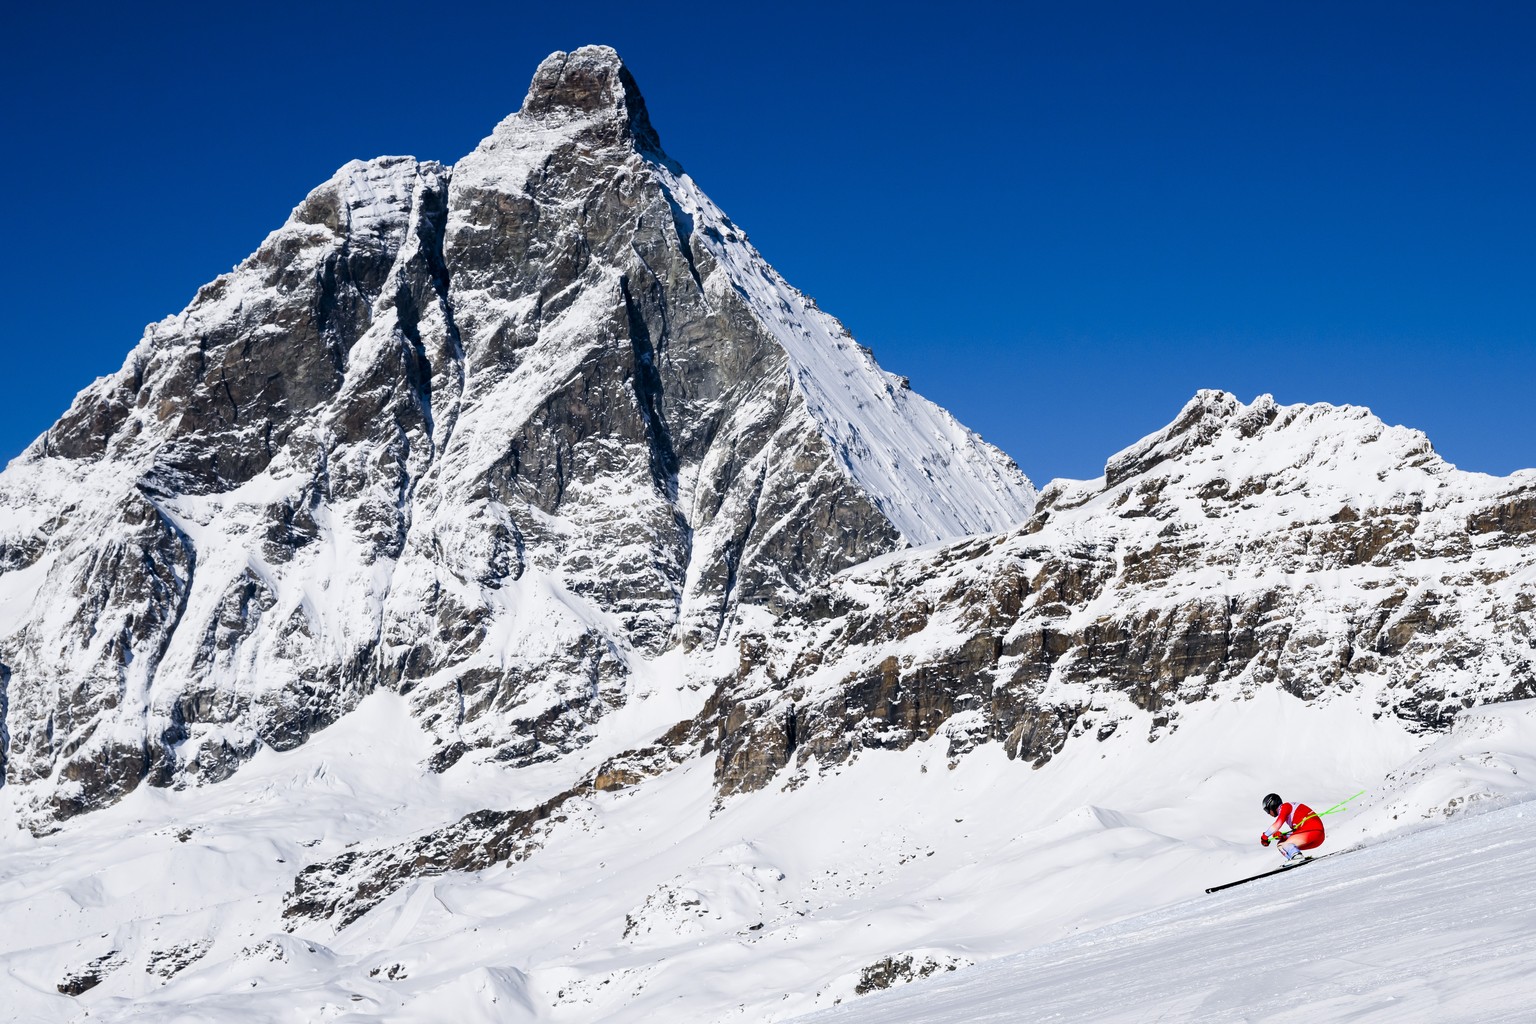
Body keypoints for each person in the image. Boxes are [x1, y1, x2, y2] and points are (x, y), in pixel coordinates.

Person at [1260, 792, 1324, 861]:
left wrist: (1265, 836)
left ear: (1272, 805)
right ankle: (1293, 859)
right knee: (1281, 844)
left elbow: (1278, 824)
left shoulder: (1285, 807)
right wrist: (1283, 836)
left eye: (1267, 810)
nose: (1269, 813)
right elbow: (1297, 832)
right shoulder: (1289, 812)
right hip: (1317, 836)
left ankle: (1297, 857)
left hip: (1313, 831)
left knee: (1286, 844)